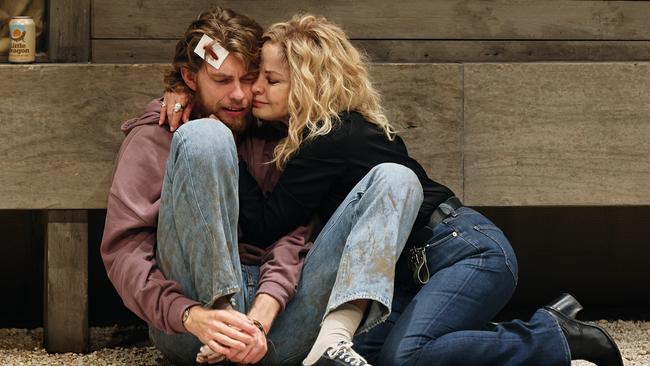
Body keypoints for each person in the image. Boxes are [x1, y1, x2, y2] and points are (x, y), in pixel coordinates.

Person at [234, 14, 624, 366]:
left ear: (307, 86)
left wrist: (223, 147)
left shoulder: (330, 141)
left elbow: (265, 224)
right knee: (367, 354)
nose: (254, 90)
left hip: (465, 251)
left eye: (271, 80)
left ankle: (555, 338)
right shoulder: (327, 133)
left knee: (407, 357)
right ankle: (525, 326)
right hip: (415, 273)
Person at [101, 8, 315, 365]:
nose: (240, 96)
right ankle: (222, 311)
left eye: (248, 78)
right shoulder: (155, 136)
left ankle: (239, 334)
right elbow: (125, 251)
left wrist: (263, 313)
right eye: (221, 81)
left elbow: (293, 234)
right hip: (190, 324)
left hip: (272, 318)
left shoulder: (276, 132)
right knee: (206, 136)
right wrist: (190, 315)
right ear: (189, 77)